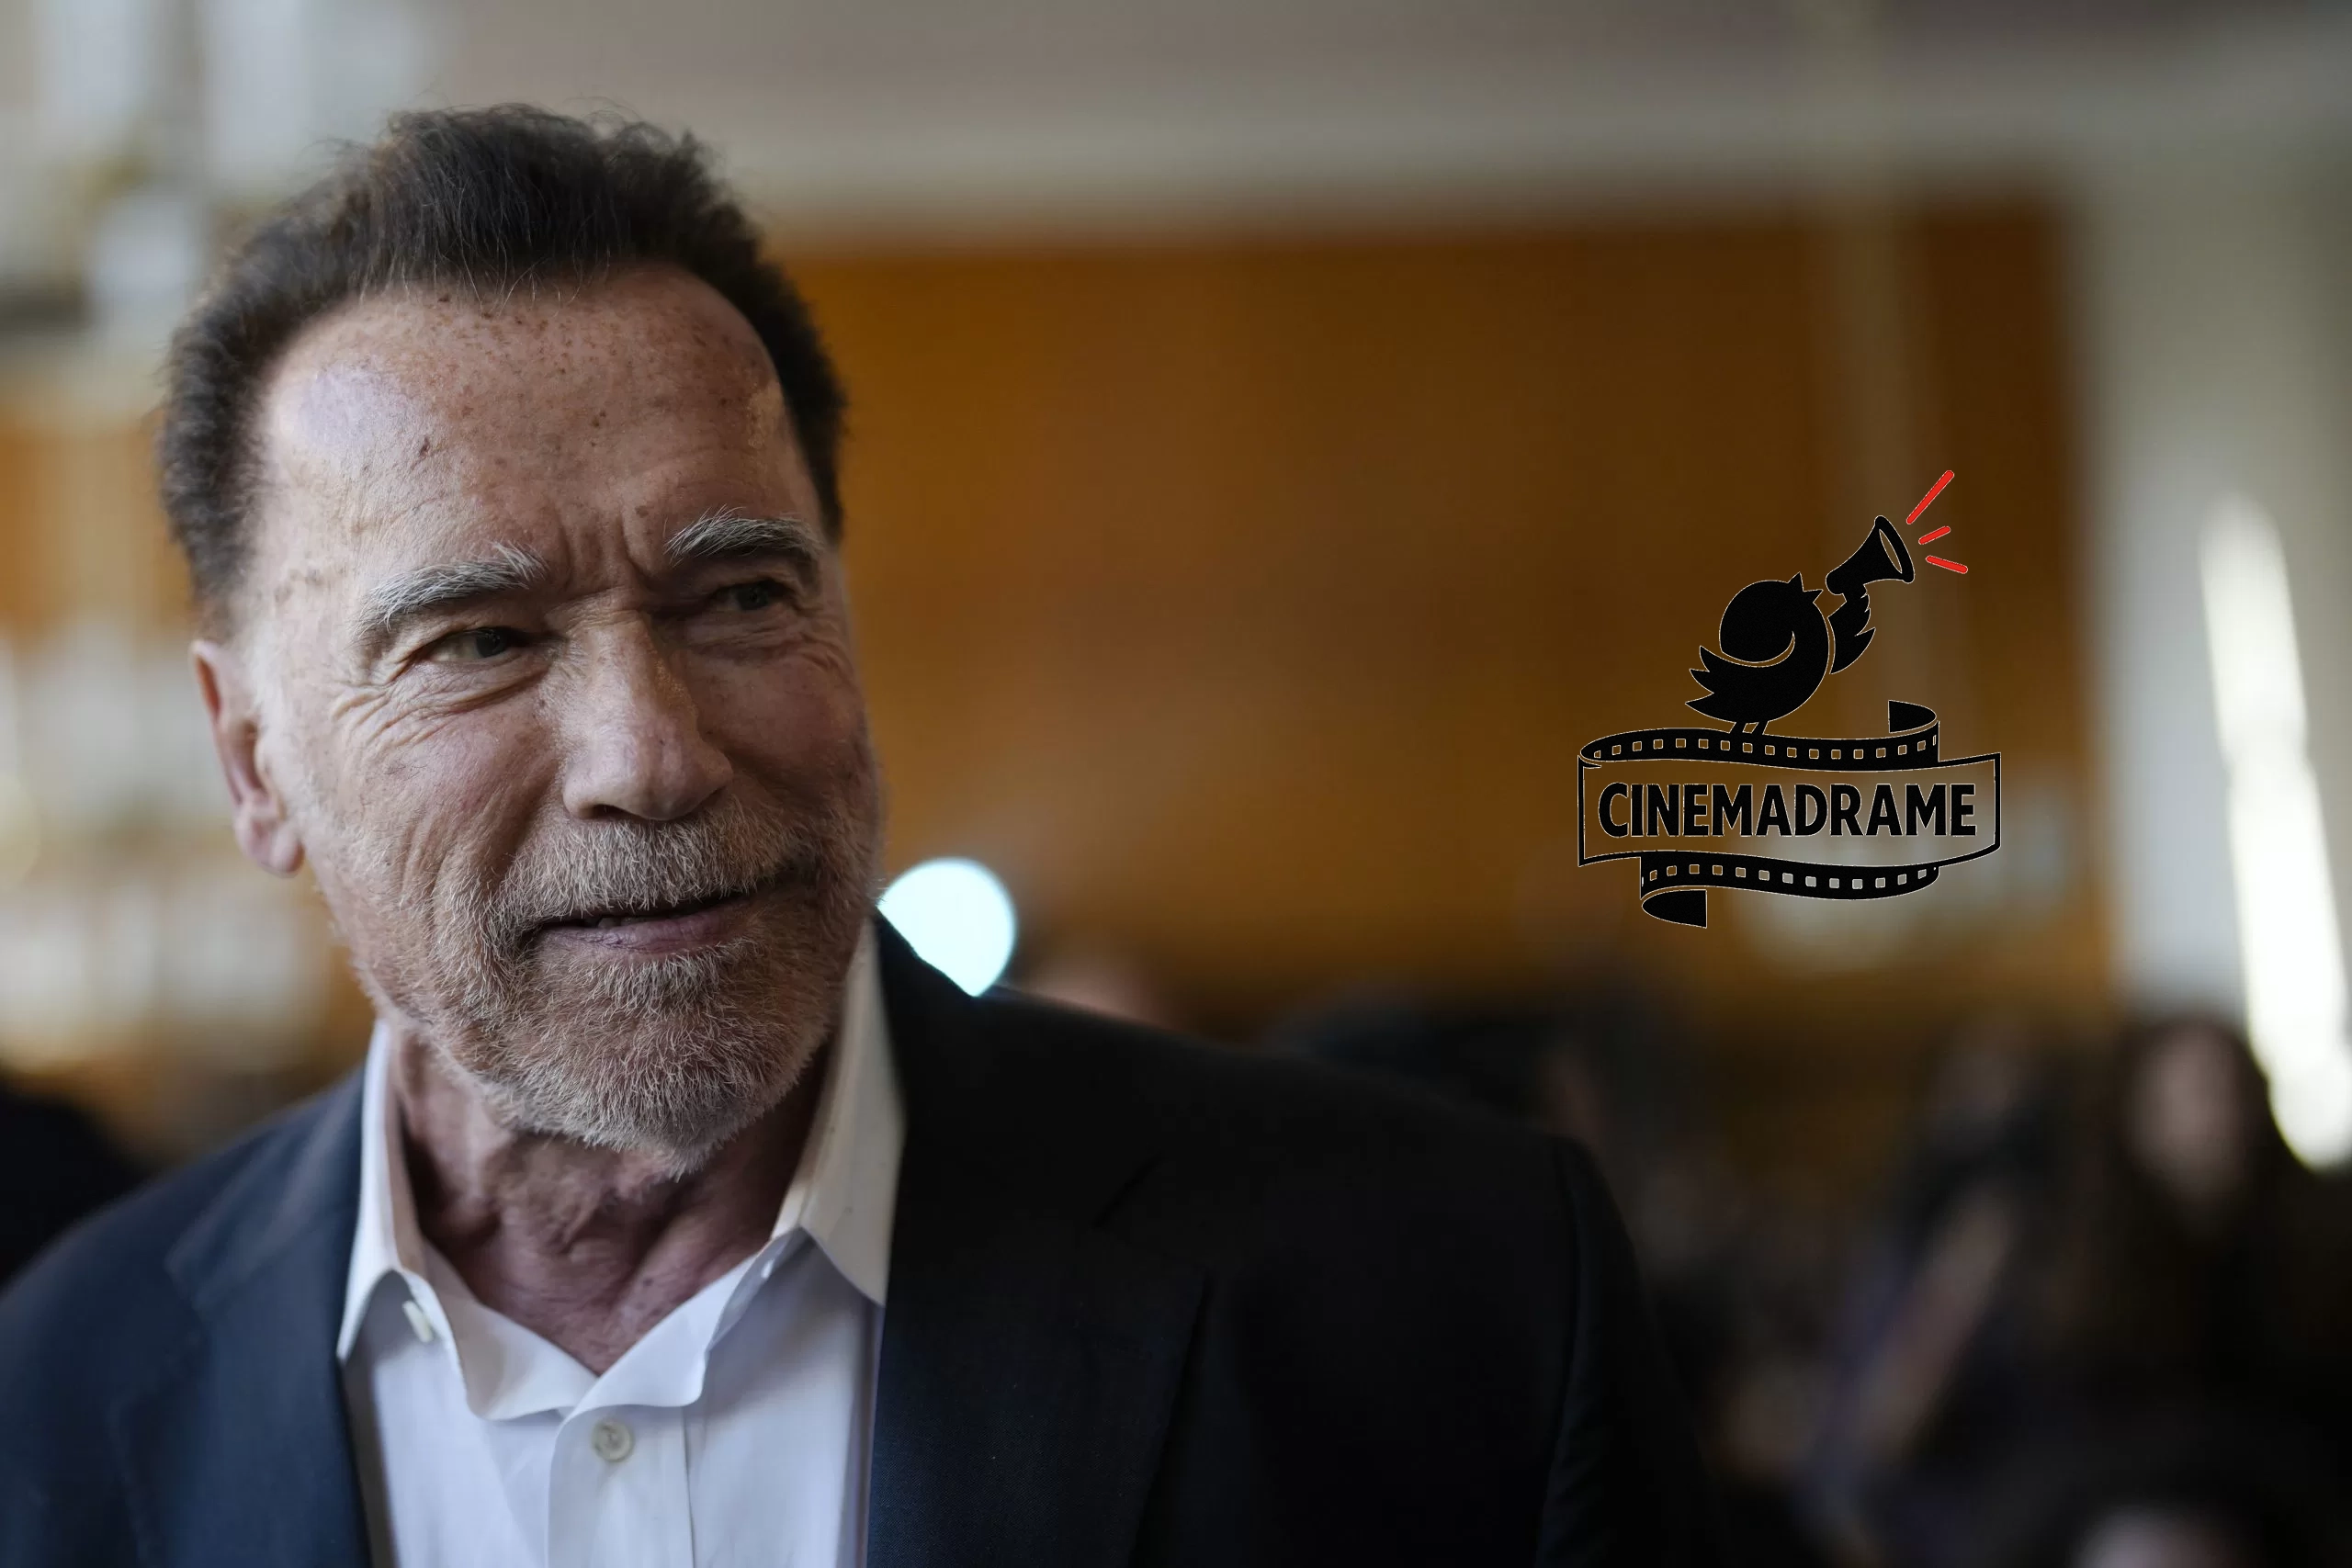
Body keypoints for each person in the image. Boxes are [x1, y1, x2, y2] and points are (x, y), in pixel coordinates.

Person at [0, 108, 1717, 1567]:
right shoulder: (55, 1392)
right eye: (482, 640)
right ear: (252, 761)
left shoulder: (1447, 1296)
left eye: (742, 594)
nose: (651, 756)